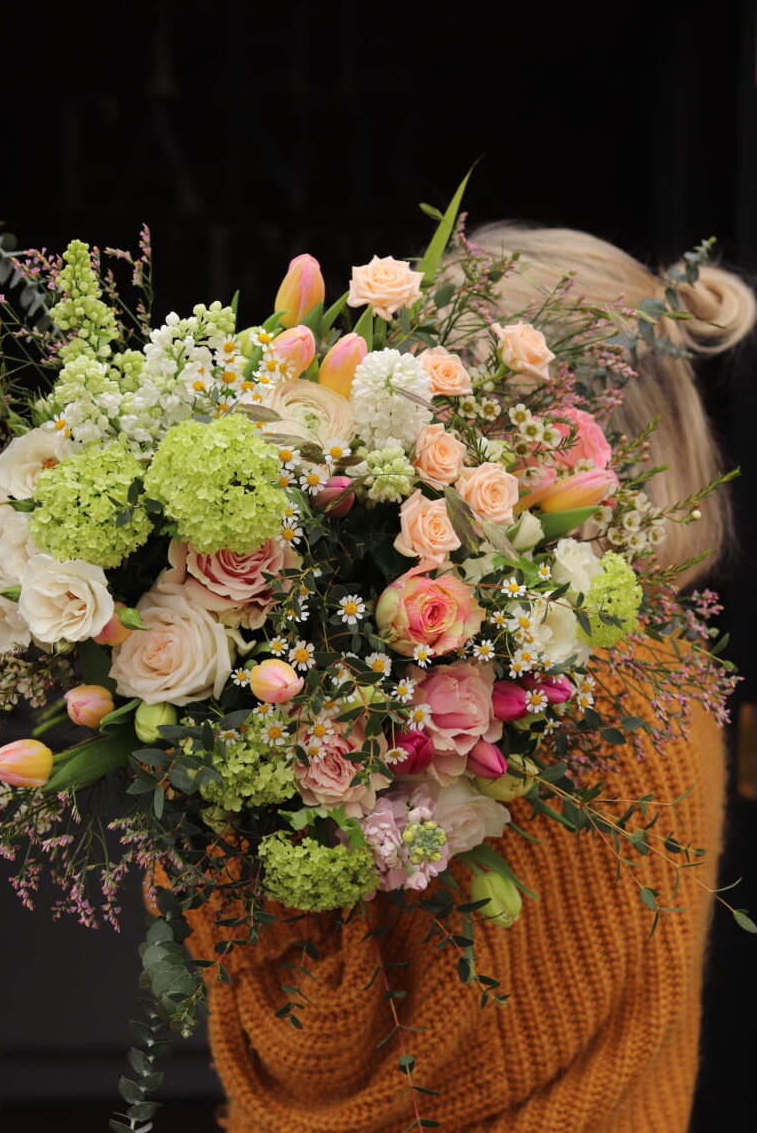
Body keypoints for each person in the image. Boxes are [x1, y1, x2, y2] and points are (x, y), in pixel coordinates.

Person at [178, 225, 756, 1133]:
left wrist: (214, 815)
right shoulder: (658, 664)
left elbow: (332, 1056)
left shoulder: (541, 696)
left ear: (556, 431)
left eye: (440, 402)